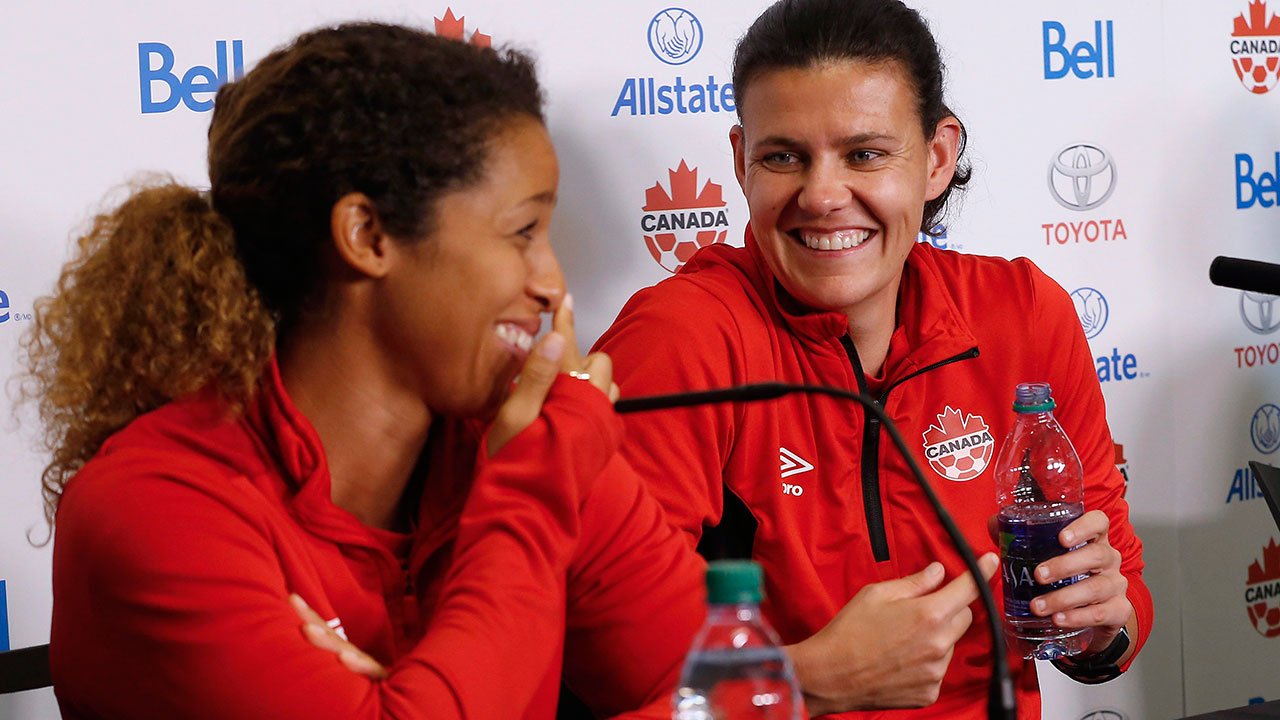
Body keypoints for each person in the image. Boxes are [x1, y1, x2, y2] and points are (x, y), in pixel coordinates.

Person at [21, 23, 703, 720]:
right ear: (368, 236)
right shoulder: (154, 508)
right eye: (522, 232)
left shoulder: (522, 442)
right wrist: (531, 496)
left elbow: (737, 686)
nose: (552, 286)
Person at [594, 0, 1152, 717]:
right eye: (783, 157)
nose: (823, 196)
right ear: (740, 161)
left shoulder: (1024, 313)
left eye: (865, 154)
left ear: (937, 158)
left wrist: (1098, 626)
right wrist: (805, 681)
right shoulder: (680, 338)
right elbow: (606, 660)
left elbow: (1122, 596)